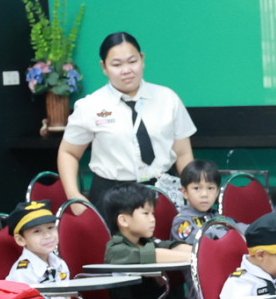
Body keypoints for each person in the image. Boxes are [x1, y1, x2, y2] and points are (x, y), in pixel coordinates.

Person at [3, 200, 155, 299]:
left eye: (51, 228)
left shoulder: (58, 264)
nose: (47, 235)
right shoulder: (22, 272)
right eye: (37, 231)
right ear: (21, 240)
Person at [58, 32, 196, 210]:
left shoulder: (167, 98)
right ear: (104, 67)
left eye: (132, 61)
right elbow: (68, 152)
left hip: (162, 191)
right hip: (112, 195)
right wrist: (74, 196)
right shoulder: (90, 106)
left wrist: (192, 191)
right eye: (116, 64)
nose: (126, 70)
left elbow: (183, 153)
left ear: (142, 59)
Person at [98, 183, 205, 299]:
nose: (152, 219)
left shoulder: (145, 241)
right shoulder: (116, 249)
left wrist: (201, 252)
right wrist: (196, 257)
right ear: (123, 220)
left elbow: (172, 246)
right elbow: (156, 255)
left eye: (152, 213)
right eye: (146, 214)